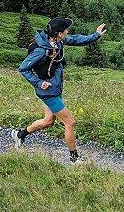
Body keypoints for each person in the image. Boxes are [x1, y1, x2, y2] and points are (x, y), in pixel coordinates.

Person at [11, 16, 107, 164]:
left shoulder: (57, 40)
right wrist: (38, 82)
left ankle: (20, 134)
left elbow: (75, 40)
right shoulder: (41, 50)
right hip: (48, 92)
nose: (68, 32)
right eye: (65, 30)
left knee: (48, 121)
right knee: (70, 122)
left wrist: (96, 35)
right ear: (58, 33)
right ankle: (74, 159)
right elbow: (23, 68)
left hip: (54, 87)